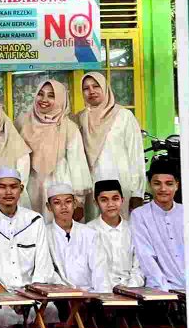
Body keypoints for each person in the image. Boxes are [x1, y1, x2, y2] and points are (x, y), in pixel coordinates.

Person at [0, 168, 54, 328]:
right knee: (3, 315)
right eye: (2, 187)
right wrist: (10, 300)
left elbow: (43, 266)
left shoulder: (35, 220)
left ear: (21, 189)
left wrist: (30, 296)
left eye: (13, 187)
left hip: (31, 293)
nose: (8, 192)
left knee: (50, 311)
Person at [16, 80, 92, 213]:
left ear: (60, 99)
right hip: (29, 185)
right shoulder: (22, 122)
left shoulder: (69, 127)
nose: (44, 99)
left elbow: (77, 163)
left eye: (51, 96)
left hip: (60, 185)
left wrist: (79, 200)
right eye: (40, 94)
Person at [76, 73, 146, 214]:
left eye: (96, 86)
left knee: (120, 224)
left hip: (121, 184)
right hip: (92, 186)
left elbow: (135, 155)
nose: (91, 91)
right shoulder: (81, 118)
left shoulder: (124, 116)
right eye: (86, 88)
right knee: (94, 224)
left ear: (105, 88)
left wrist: (137, 193)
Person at [130, 160, 186, 292]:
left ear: (177, 185)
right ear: (149, 185)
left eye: (169, 184)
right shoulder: (140, 215)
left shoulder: (188, 213)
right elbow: (145, 256)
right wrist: (165, 290)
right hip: (159, 290)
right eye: (157, 183)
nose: (163, 189)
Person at [44, 182, 109, 294]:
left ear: (75, 204)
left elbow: (100, 271)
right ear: (49, 207)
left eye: (68, 201)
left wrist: (100, 297)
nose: (64, 207)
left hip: (89, 295)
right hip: (57, 296)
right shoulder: (44, 234)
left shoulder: (90, 234)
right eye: (57, 203)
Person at [88, 180, 143, 289]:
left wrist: (130, 288)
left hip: (131, 291)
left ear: (122, 200)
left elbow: (139, 268)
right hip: (99, 292)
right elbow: (88, 272)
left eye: (115, 199)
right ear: (96, 203)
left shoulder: (133, 230)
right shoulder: (88, 231)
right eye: (104, 200)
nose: (111, 204)